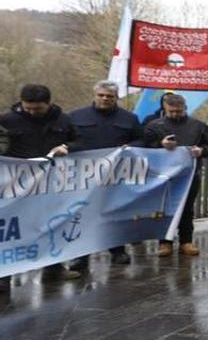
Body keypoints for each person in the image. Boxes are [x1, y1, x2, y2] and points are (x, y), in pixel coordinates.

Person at [0, 84, 82, 290]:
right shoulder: (6, 120)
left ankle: (53, 268)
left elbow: (80, 141)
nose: (32, 112)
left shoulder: (64, 120)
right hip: (15, 185)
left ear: (49, 104)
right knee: (12, 228)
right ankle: (3, 275)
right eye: (28, 108)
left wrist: (67, 147)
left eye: (37, 109)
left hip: (51, 184)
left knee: (51, 224)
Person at [65, 80, 144, 268]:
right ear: (95, 95)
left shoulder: (129, 118)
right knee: (82, 213)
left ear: (116, 97)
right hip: (83, 175)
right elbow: (66, 140)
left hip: (115, 175)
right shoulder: (75, 116)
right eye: (101, 95)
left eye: (109, 96)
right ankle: (81, 254)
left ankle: (117, 250)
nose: (105, 99)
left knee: (114, 213)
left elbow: (141, 140)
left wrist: (130, 147)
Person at [142, 93, 208, 258]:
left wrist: (201, 151)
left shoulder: (198, 125)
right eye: (171, 112)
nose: (175, 114)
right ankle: (164, 241)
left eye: (179, 112)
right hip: (163, 175)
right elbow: (144, 146)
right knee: (164, 208)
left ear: (185, 109)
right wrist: (160, 144)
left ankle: (186, 241)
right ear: (165, 109)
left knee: (187, 208)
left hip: (189, 175)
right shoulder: (154, 125)